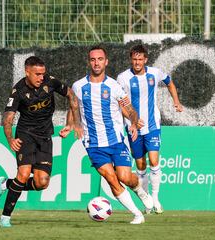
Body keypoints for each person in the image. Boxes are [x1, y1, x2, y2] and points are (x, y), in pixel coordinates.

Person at [61, 45, 153, 224]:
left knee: (124, 177)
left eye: (100, 59)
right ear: (89, 62)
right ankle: (137, 215)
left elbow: (128, 108)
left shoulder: (114, 86)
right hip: (93, 144)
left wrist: (134, 121)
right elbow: (73, 108)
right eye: (93, 59)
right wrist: (70, 125)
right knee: (111, 179)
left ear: (106, 62)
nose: (96, 63)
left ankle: (141, 192)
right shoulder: (78, 86)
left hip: (116, 141)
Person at [0, 56, 80, 227]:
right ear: (27, 72)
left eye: (43, 73)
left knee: (41, 183)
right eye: (37, 74)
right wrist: (10, 139)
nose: (41, 77)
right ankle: (5, 217)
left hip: (45, 136)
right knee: (23, 175)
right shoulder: (18, 91)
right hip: (26, 135)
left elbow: (71, 96)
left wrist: (72, 123)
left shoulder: (50, 82)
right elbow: (8, 118)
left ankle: (5, 184)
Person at [117, 44, 183, 214]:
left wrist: (176, 101)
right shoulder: (123, 78)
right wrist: (131, 120)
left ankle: (156, 198)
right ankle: (145, 198)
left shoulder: (155, 72)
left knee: (154, 160)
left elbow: (170, 83)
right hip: (133, 128)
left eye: (140, 59)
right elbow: (120, 103)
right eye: (134, 59)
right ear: (131, 60)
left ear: (145, 59)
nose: (137, 62)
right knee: (140, 165)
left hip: (153, 124)